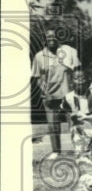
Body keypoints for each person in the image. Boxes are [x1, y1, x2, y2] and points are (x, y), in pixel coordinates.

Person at [31, 29, 76, 157]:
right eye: (48, 36)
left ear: (59, 38)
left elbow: (78, 72)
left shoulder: (69, 52)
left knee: (74, 123)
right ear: (45, 39)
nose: (51, 38)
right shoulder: (39, 56)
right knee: (53, 125)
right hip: (50, 97)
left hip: (69, 94)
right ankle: (56, 151)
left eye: (54, 36)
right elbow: (38, 78)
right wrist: (46, 93)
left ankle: (79, 148)